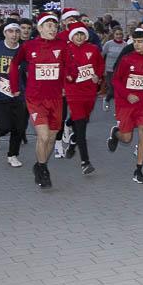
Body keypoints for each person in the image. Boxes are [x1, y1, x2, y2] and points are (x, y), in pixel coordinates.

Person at [10, 13, 65, 189]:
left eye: (55, 26)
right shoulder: (28, 46)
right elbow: (14, 65)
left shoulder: (62, 46)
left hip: (56, 98)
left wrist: (69, 81)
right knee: (42, 135)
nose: (53, 29)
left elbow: (69, 67)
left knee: (51, 137)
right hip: (35, 98)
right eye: (48, 25)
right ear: (40, 28)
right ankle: (42, 168)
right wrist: (14, 86)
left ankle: (39, 164)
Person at [108, 28, 143, 183]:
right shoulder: (127, 59)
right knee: (126, 138)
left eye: (140, 42)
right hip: (125, 103)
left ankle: (138, 170)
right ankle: (116, 133)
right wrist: (127, 94)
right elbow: (115, 80)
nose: (137, 45)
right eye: (135, 42)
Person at [63, 24, 104, 175]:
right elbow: (62, 67)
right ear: (71, 36)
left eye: (81, 34)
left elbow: (100, 64)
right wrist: (66, 76)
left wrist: (98, 76)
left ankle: (73, 141)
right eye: (76, 34)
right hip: (73, 92)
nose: (79, 37)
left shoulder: (93, 49)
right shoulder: (66, 50)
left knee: (83, 121)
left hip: (90, 92)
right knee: (81, 126)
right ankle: (85, 162)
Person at [0, 22, 28, 167]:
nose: (14, 34)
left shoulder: (24, 50)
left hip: (18, 93)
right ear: (4, 33)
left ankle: (13, 155)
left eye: (17, 31)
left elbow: (28, 71)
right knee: (4, 125)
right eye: (11, 31)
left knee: (19, 127)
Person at [101, 25, 128, 110]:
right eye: (117, 34)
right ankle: (107, 99)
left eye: (120, 34)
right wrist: (102, 69)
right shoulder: (108, 44)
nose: (119, 36)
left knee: (119, 89)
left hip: (121, 70)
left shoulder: (125, 45)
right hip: (109, 70)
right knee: (112, 88)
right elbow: (102, 56)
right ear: (113, 35)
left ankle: (119, 107)